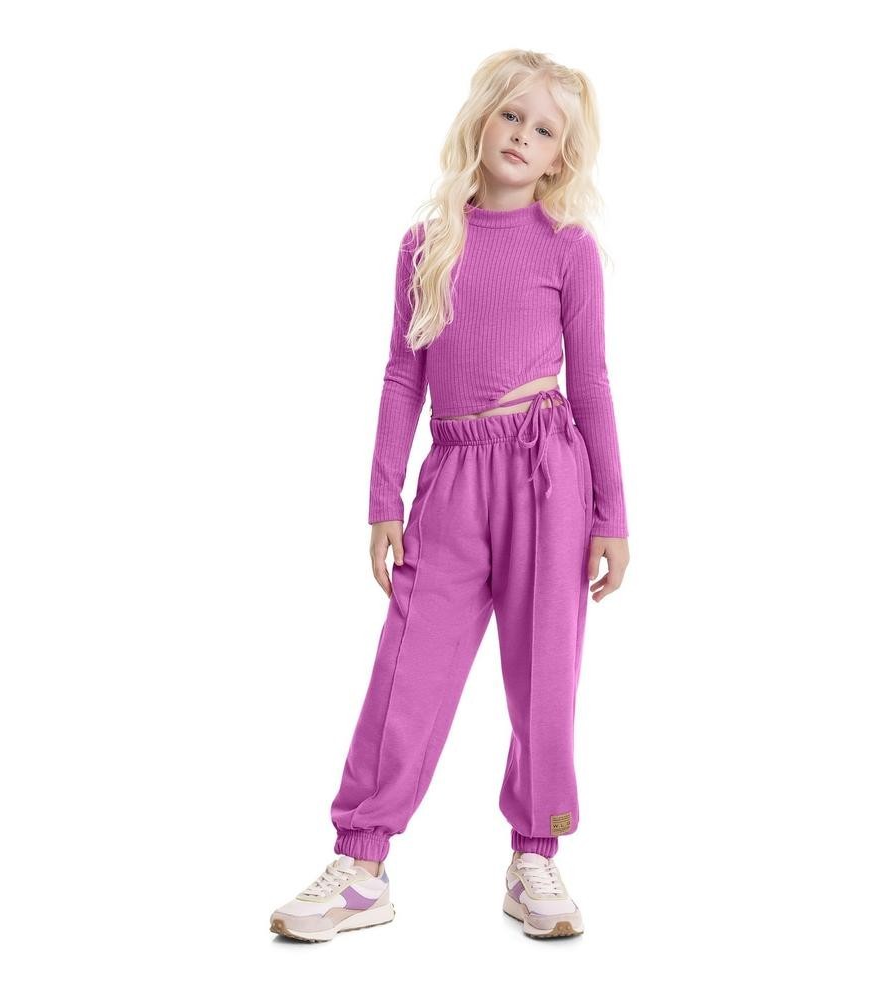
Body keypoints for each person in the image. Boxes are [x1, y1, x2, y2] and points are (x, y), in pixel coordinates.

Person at [270, 48, 630, 943]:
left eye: (544, 129)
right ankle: (361, 865)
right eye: (512, 116)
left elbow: (591, 382)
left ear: (562, 156)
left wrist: (611, 514)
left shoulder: (569, 249)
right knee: (409, 667)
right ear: (481, 119)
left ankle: (535, 854)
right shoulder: (427, 244)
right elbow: (403, 376)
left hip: (548, 471)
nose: (523, 136)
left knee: (545, 672)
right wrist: (382, 499)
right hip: (455, 477)